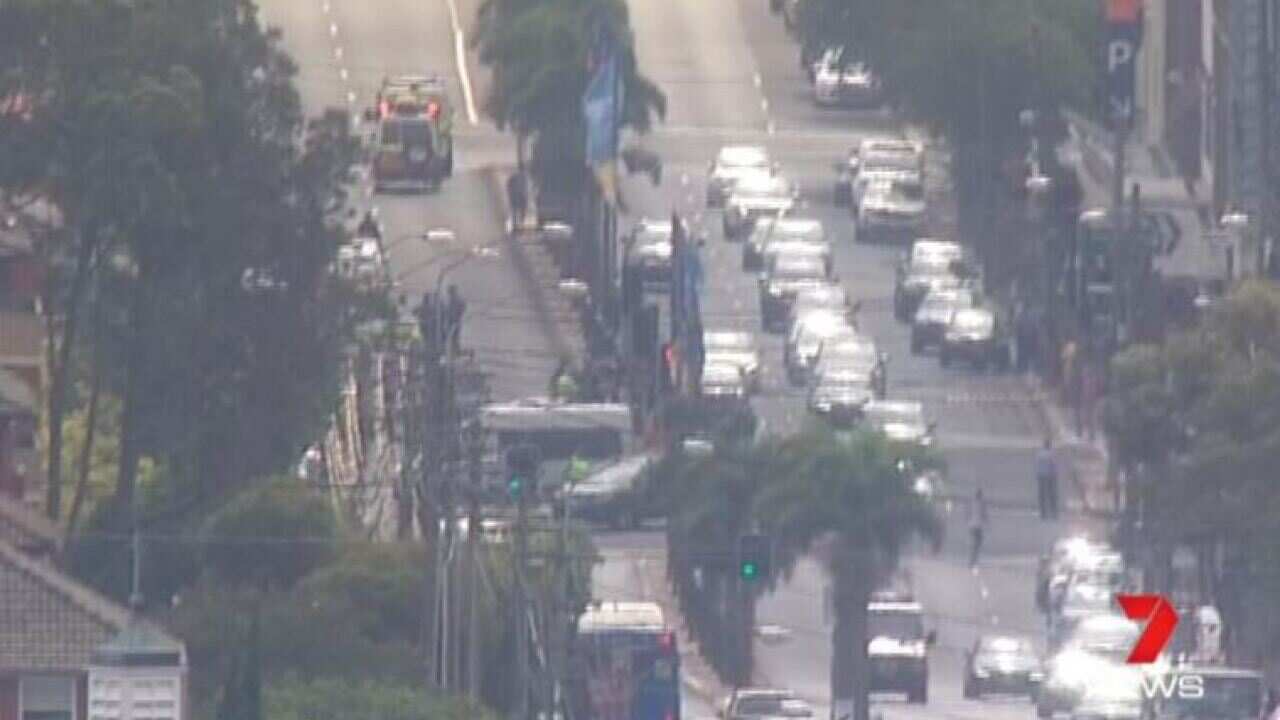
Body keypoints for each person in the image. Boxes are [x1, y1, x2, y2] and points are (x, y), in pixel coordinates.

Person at [1036, 438, 1060, 520]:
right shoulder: (1052, 454)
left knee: (1042, 495)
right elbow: (1054, 466)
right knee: (1052, 494)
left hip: (1041, 476)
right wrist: (1055, 475)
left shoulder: (1039, 454)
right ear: (1050, 446)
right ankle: (1054, 512)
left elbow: (1038, 466)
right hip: (1050, 476)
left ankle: (1043, 512)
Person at [969, 487, 989, 567]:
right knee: (977, 543)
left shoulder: (972, 503)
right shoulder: (982, 504)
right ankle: (973, 560)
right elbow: (984, 515)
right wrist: (988, 523)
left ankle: (973, 560)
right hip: (978, 526)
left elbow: (968, 513)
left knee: (975, 543)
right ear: (980, 496)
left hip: (972, 526)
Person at [444, 284, 466, 354]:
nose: (449, 294)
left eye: (450, 292)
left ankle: (455, 350)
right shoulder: (452, 299)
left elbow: (462, 307)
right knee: (453, 337)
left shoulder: (457, 299)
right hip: (452, 321)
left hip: (455, 321)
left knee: (454, 337)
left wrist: (458, 315)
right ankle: (453, 350)